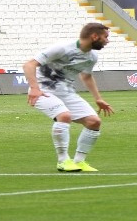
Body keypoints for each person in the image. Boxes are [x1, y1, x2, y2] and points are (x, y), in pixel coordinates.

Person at [22, 23, 114, 172]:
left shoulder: (92, 56)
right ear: (94, 36)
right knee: (64, 116)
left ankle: (79, 161)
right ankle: (63, 160)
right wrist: (34, 88)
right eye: (105, 37)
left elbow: (86, 76)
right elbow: (29, 65)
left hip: (67, 92)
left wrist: (98, 98)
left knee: (94, 122)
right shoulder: (62, 48)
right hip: (44, 91)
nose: (107, 41)